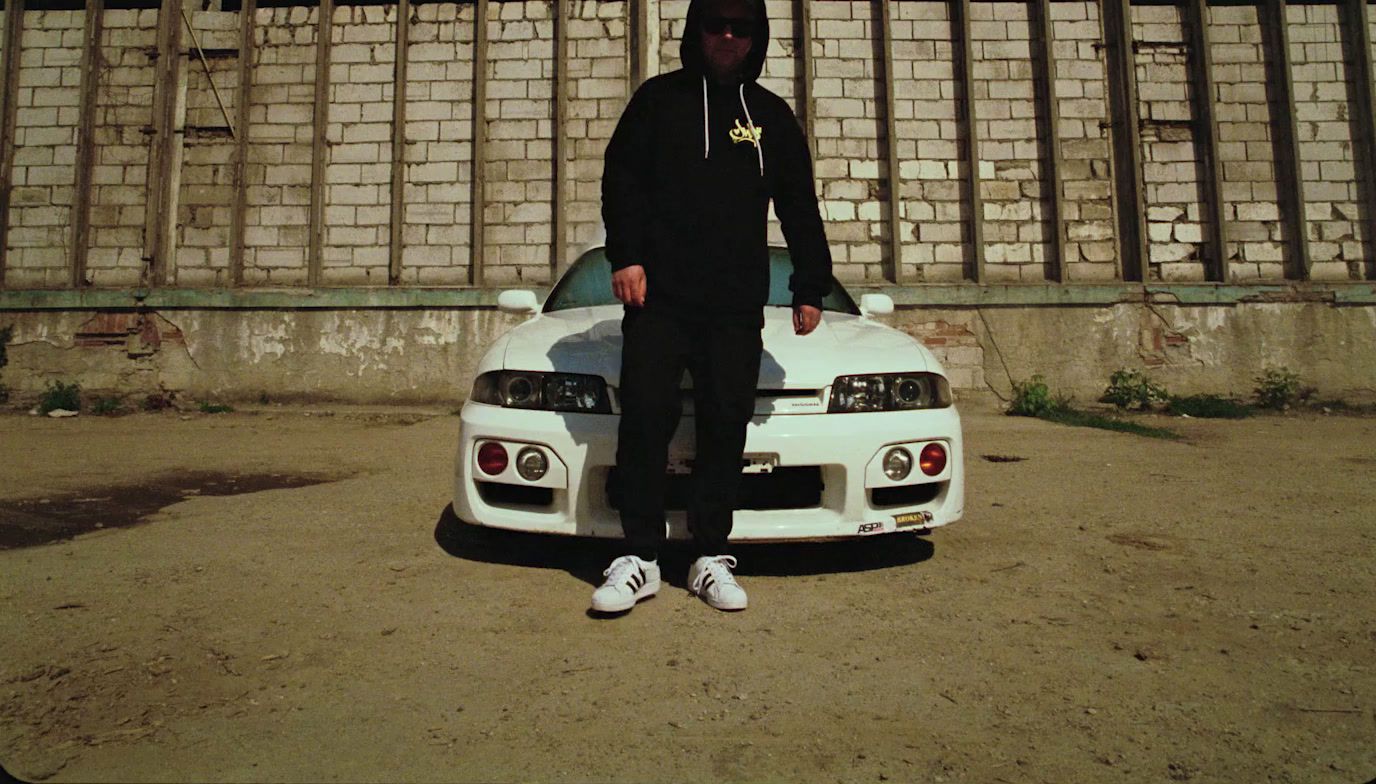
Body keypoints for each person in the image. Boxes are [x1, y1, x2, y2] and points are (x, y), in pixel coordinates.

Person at [592, 0, 832, 613]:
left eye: (741, 28)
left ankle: (709, 555)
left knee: (726, 423)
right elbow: (621, 179)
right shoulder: (659, 100)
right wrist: (626, 257)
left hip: (733, 304)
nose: (727, 37)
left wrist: (810, 285)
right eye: (716, 25)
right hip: (661, 299)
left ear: (757, 38)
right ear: (697, 32)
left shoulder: (770, 117)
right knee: (646, 414)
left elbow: (798, 204)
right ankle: (639, 557)